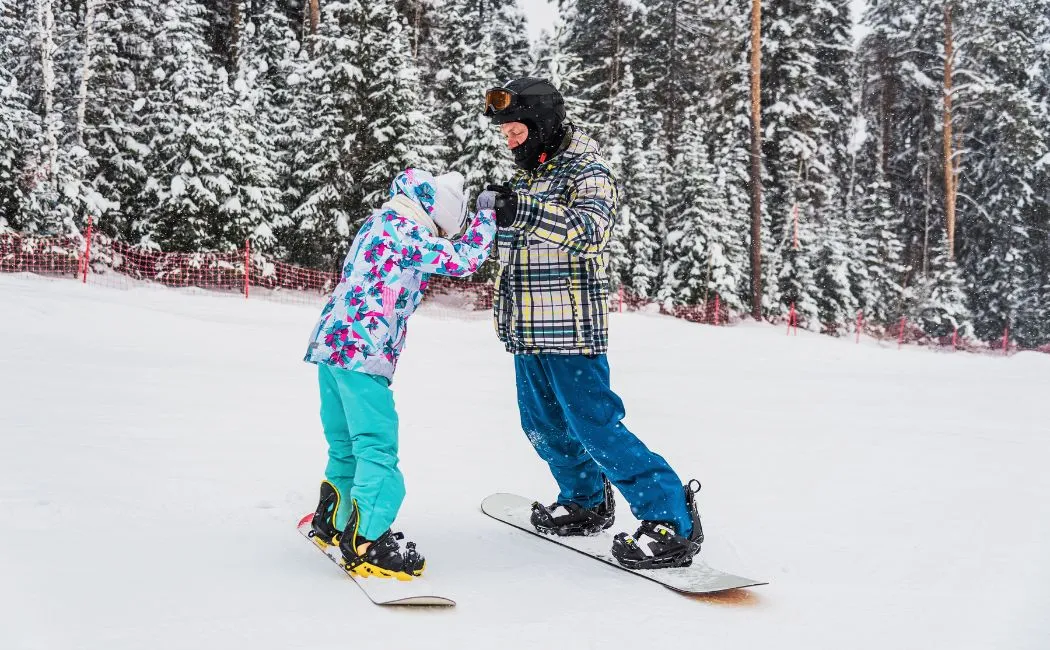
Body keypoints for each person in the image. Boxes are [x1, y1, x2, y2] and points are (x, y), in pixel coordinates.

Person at [477, 77, 704, 569]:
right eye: (505, 135)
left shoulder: (588, 171)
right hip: (527, 329)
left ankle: (669, 518)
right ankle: (584, 499)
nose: (509, 141)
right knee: (541, 424)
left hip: (570, 328)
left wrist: (524, 210)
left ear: (540, 124)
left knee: (596, 426)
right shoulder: (532, 176)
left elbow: (589, 232)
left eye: (514, 131)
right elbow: (521, 246)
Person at [304, 169, 496, 579]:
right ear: (438, 211)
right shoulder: (407, 230)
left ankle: (333, 520)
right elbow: (463, 261)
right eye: (447, 225)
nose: (445, 233)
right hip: (365, 349)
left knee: (345, 443)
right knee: (376, 445)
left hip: (332, 343)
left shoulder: (379, 220)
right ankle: (368, 539)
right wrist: (486, 218)